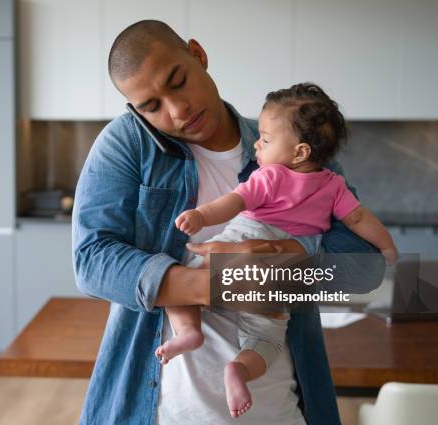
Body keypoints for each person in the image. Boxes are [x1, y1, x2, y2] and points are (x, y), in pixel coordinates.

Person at [72, 20, 385, 425]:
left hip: (280, 406)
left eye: (178, 81)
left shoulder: (288, 143)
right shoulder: (128, 143)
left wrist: (283, 255)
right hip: (162, 412)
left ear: (198, 55)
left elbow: (363, 268)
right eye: (151, 106)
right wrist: (219, 283)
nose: (177, 110)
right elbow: (92, 261)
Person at [156, 82, 398, 418]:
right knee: (267, 339)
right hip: (284, 268)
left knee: (173, 285)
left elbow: (233, 202)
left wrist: (200, 215)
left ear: (299, 152)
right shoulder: (333, 185)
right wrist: (386, 246)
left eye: (266, 139)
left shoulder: (269, 177)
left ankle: (189, 332)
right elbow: (359, 219)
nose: (256, 142)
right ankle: (238, 370)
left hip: (242, 240)